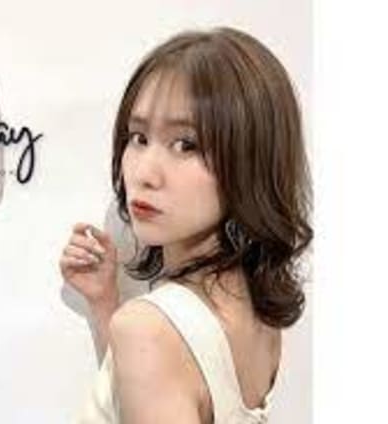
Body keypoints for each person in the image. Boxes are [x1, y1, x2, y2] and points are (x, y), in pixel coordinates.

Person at [59, 26, 313, 424]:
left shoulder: (151, 329)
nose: (144, 173)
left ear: (249, 162)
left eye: (186, 145)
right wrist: (105, 303)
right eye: (138, 137)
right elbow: (158, 389)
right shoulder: (255, 309)